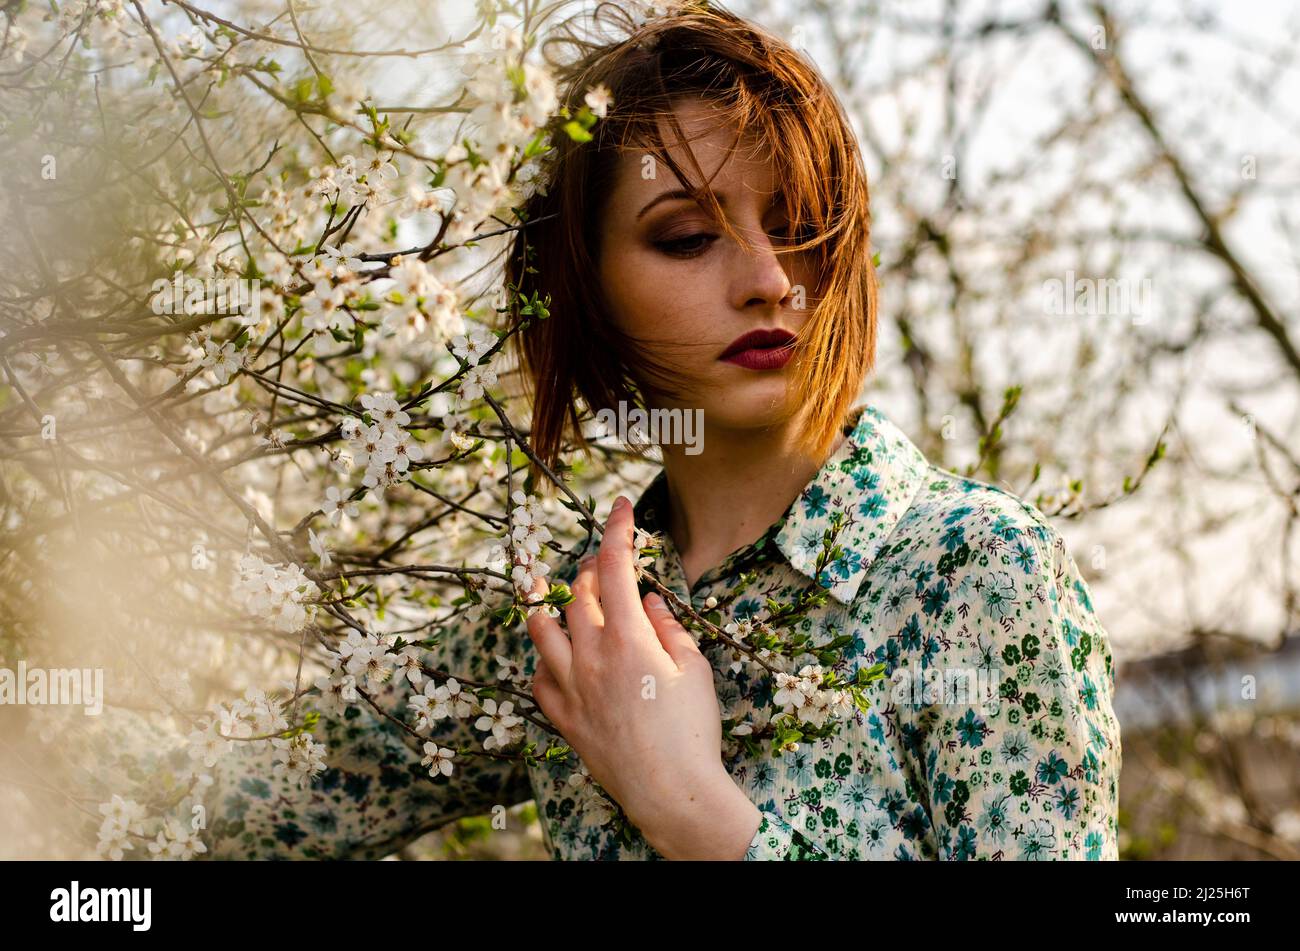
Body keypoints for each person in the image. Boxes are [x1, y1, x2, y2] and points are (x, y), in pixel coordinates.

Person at [38, 0, 1121, 861]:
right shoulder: (574, 624)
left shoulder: (970, 569)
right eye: (689, 237)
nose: (767, 282)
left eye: (799, 230)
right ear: (586, 285)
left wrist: (698, 817)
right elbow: (215, 805)